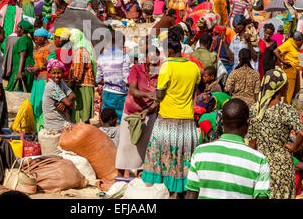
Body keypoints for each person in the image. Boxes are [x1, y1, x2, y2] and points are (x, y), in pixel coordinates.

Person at [141, 31, 201, 199]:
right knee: (183, 158)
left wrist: (153, 96)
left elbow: (159, 96)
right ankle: (181, 192)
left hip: (167, 119)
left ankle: (168, 193)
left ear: (169, 51)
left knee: (163, 157)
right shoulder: (193, 67)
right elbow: (194, 90)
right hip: (187, 120)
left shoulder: (167, 66)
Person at [186, 98, 271, 199]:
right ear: (248, 123)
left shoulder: (200, 153)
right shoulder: (259, 161)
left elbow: (191, 194)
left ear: (221, 122)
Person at [248, 69, 303, 199]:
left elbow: (252, 143)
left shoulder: (255, 109)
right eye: (286, 85)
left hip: (261, 164)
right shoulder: (286, 110)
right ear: (280, 88)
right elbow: (302, 133)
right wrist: (294, 147)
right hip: (282, 165)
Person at [116, 45, 160, 177]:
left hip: (148, 114)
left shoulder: (159, 73)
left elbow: (158, 99)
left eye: (155, 57)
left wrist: (147, 110)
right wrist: (148, 95)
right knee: (124, 145)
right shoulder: (136, 69)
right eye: (150, 56)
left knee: (143, 147)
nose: (152, 59)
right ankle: (119, 176)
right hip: (130, 112)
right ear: (145, 57)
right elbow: (132, 90)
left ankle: (139, 177)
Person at [96, 30, 131, 123]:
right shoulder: (124, 57)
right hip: (120, 94)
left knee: (107, 120)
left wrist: (108, 81)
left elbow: (98, 79)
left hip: (107, 92)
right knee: (119, 121)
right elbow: (126, 78)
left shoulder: (101, 57)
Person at [29, 28, 56, 132]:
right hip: (36, 79)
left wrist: (39, 68)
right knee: (35, 104)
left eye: (37, 38)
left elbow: (54, 64)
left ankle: (42, 127)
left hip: (44, 78)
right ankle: (36, 128)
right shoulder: (39, 47)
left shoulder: (51, 47)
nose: (35, 40)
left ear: (43, 37)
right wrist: (32, 67)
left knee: (42, 104)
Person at [69, 28, 96, 124]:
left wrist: (72, 83)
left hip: (82, 84)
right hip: (86, 83)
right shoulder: (84, 49)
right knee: (85, 112)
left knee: (82, 111)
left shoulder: (79, 51)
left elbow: (78, 70)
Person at [42, 59, 76, 132]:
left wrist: (64, 103)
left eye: (59, 73)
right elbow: (70, 104)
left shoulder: (61, 82)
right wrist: (67, 104)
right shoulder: (51, 86)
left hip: (62, 121)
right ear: (49, 74)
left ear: (63, 73)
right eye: (54, 73)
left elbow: (73, 95)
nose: (57, 76)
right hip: (55, 125)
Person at [274, 32, 303, 105]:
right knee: (289, 91)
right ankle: (286, 107)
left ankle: (293, 107)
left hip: (296, 70)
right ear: (296, 40)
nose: (301, 45)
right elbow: (276, 51)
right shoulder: (288, 44)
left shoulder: (296, 46)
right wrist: (283, 61)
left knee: (296, 91)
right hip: (290, 69)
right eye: (301, 43)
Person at [6, 21, 35, 93]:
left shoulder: (23, 40)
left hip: (22, 69)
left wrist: (19, 72)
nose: (16, 30)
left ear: (22, 30)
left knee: (11, 90)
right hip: (26, 68)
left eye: (18, 28)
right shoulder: (28, 39)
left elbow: (23, 56)